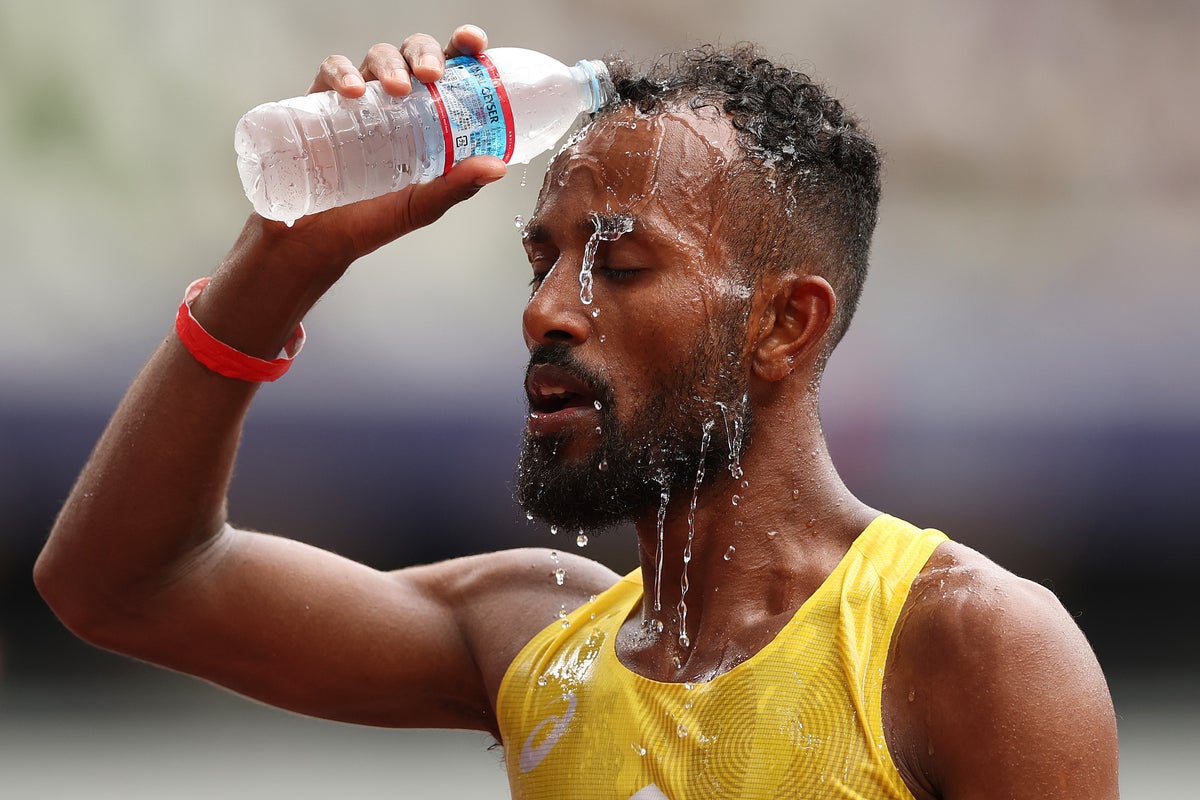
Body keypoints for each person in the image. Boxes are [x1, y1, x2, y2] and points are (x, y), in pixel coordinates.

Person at [34, 24, 1119, 800]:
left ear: (785, 325)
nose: (547, 310)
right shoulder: (534, 635)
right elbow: (120, 583)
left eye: (622, 266)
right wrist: (280, 263)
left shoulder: (965, 647)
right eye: (541, 258)